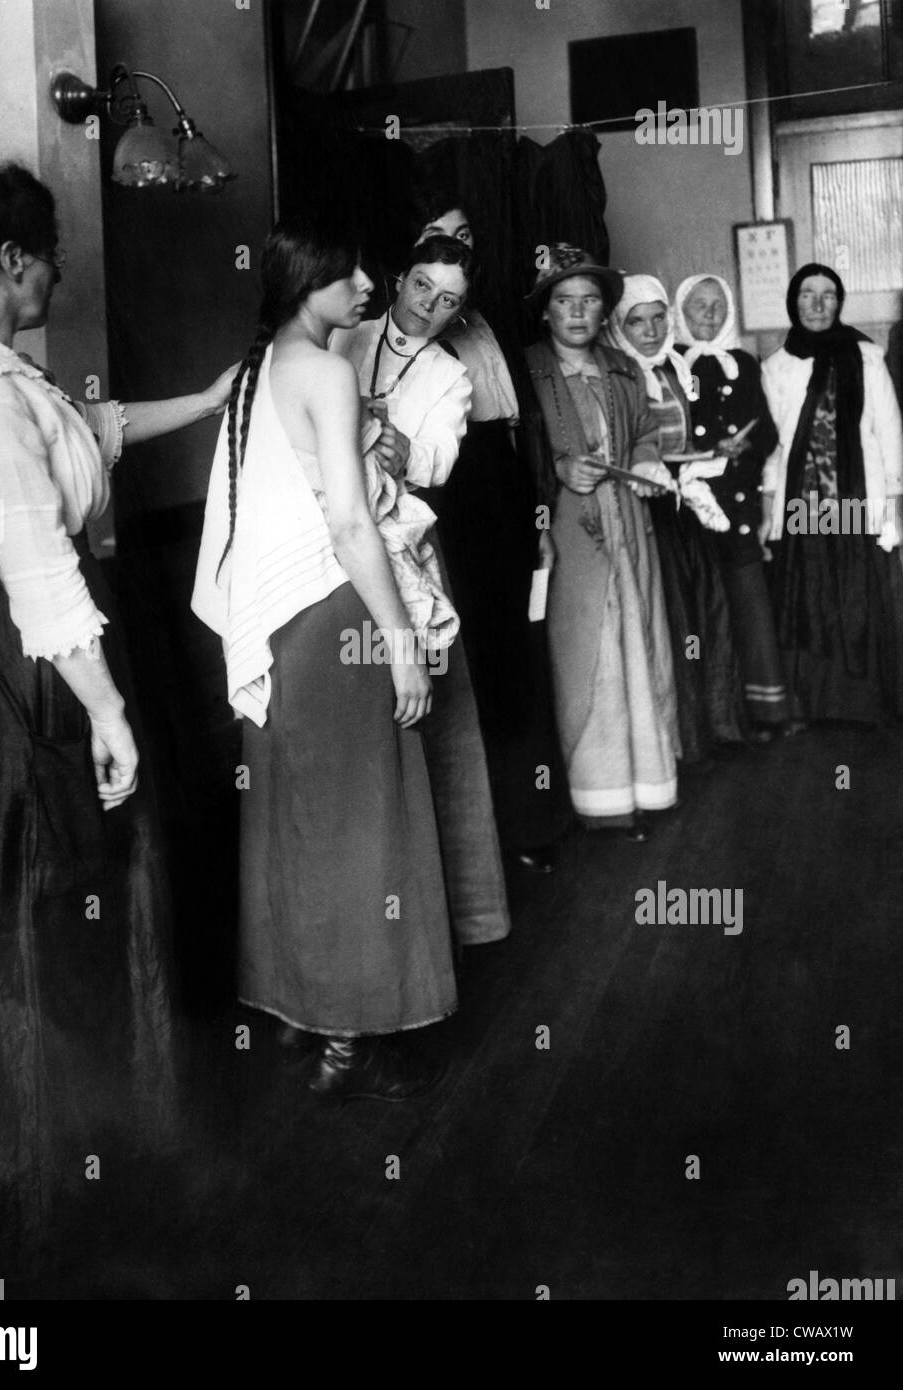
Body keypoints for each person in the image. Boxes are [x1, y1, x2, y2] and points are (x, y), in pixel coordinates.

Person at [0, 163, 235, 1258]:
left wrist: (217, 398)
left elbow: (91, 432)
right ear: (15, 264)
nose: (59, 273)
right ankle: (46, 1194)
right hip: (26, 660)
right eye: (51, 255)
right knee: (49, 899)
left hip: (3, 648)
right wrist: (109, 709)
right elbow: (40, 561)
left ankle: (74, 1165)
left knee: (40, 901)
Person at [192, 215, 457, 1102]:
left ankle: (308, 1016)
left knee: (297, 819)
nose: (368, 292)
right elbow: (348, 522)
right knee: (364, 822)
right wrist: (400, 640)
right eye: (351, 279)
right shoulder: (329, 369)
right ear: (311, 283)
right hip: (335, 611)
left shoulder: (257, 369)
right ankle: (355, 1030)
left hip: (277, 626)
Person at [331, 233, 511, 943]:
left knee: (432, 726)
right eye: (420, 290)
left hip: (399, 536)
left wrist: (384, 436)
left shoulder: (450, 374)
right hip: (330, 536)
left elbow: (432, 465)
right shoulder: (344, 330)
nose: (429, 309)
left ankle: (445, 916)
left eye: (449, 302)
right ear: (397, 278)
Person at [409, 191, 570, 873]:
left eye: (465, 235)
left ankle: (530, 824)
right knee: (467, 660)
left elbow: (516, 426)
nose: (455, 246)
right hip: (443, 501)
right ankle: (478, 853)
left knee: (514, 656)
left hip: (502, 489)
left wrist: (537, 516)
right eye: (437, 236)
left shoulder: (482, 323)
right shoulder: (399, 336)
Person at [520, 244, 679, 840]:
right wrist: (558, 468)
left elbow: (644, 433)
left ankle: (645, 785)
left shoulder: (622, 366)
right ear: (545, 310)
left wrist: (646, 462)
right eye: (565, 301)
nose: (578, 312)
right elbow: (514, 454)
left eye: (590, 301)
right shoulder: (526, 369)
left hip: (629, 524)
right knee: (587, 656)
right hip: (565, 532)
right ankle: (597, 798)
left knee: (638, 646)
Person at [605, 274, 748, 762]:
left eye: (658, 318)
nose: (649, 330)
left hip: (687, 505)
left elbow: (684, 444)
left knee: (707, 609)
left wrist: (710, 453)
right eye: (636, 321)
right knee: (672, 618)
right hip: (650, 509)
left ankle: (715, 721)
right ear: (620, 328)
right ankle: (682, 734)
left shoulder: (676, 367)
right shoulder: (621, 376)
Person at [761, 263, 903, 724]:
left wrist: (895, 501)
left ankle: (864, 704)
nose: (818, 305)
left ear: (840, 303)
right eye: (808, 294)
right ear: (793, 301)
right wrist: (768, 503)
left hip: (856, 498)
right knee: (813, 593)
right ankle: (817, 703)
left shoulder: (866, 356)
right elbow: (773, 443)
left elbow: (889, 429)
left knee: (857, 592)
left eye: (828, 295)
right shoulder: (777, 365)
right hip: (805, 503)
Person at [673, 273, 789, 738]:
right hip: (693, 508)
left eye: (718, 305)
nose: (709, 314)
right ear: (682, 312)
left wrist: (745, 447)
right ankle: (716, 717)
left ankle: (763, 710)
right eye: (698, 305)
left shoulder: (744, 361)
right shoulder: (672, 362)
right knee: (706, 609)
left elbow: (767, 430)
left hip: (739, 503)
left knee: (748, 604)